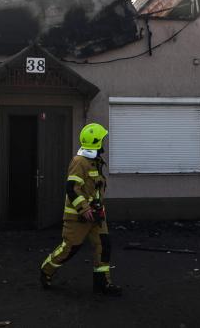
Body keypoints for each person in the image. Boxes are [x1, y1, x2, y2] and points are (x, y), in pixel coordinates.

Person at [39, 123, 122, 296]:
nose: (104, 143)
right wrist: (84, 209)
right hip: (79, 217)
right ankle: (46, 270)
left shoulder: (96, 161)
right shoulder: (79, 162)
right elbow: (72, 188)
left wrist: (98, 209)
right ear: (96, 143)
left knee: (103, 246)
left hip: (97, 216)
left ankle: (102, 283)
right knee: (69, 249)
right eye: (102, 140)